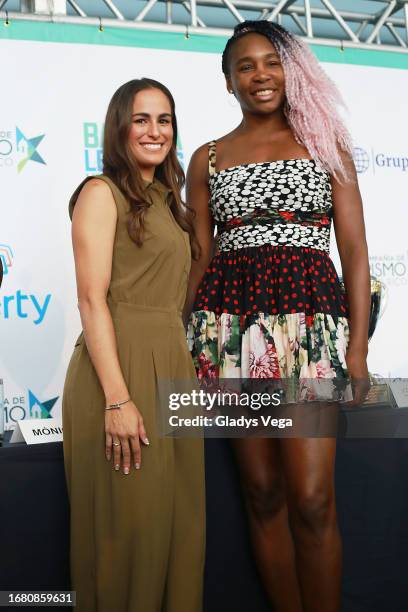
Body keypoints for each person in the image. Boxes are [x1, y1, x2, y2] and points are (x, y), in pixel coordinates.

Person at [185, 21, 370, 612]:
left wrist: (358, 349)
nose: (260, 74)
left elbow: (356, 253)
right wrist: (179, 342)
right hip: (231, 332)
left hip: (310, 334)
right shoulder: (206, 157)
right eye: (245, 65)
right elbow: (199, 261)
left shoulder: (326, 142)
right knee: (262, 494)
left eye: (271, 62)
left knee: (313, 497)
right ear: (227, 80)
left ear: (290, 70)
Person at [63, 78, 205, 612]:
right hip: (118, 372)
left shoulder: (172, 202)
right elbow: (92, 300)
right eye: (141, 119)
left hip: (173, 365)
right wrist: (118, 400)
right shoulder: (101, 192)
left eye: (164, 119)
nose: (154, 130)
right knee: (131, 536)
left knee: (182, 528)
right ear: (119, 126)